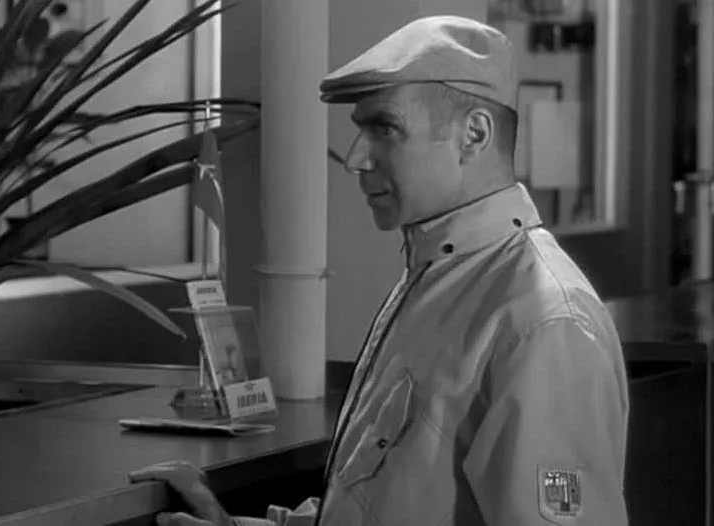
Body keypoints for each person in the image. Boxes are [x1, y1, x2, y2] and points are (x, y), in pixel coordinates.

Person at [128, 15, 630, 526]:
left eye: (385, 128)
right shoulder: (438, 279)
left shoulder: (544, 324)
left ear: (474, 134)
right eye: (359, 130)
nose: (355, 159)